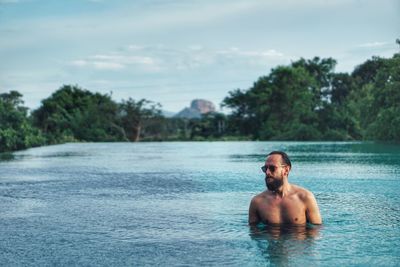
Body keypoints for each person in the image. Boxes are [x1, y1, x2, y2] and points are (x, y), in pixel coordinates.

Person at [248, 151, 322, 225]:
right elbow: (254, 233)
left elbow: (316, 231)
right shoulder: (257, 202)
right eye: (265, 168)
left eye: (272, 168)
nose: (267, 172)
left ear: (286, 170)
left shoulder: (305, 198)